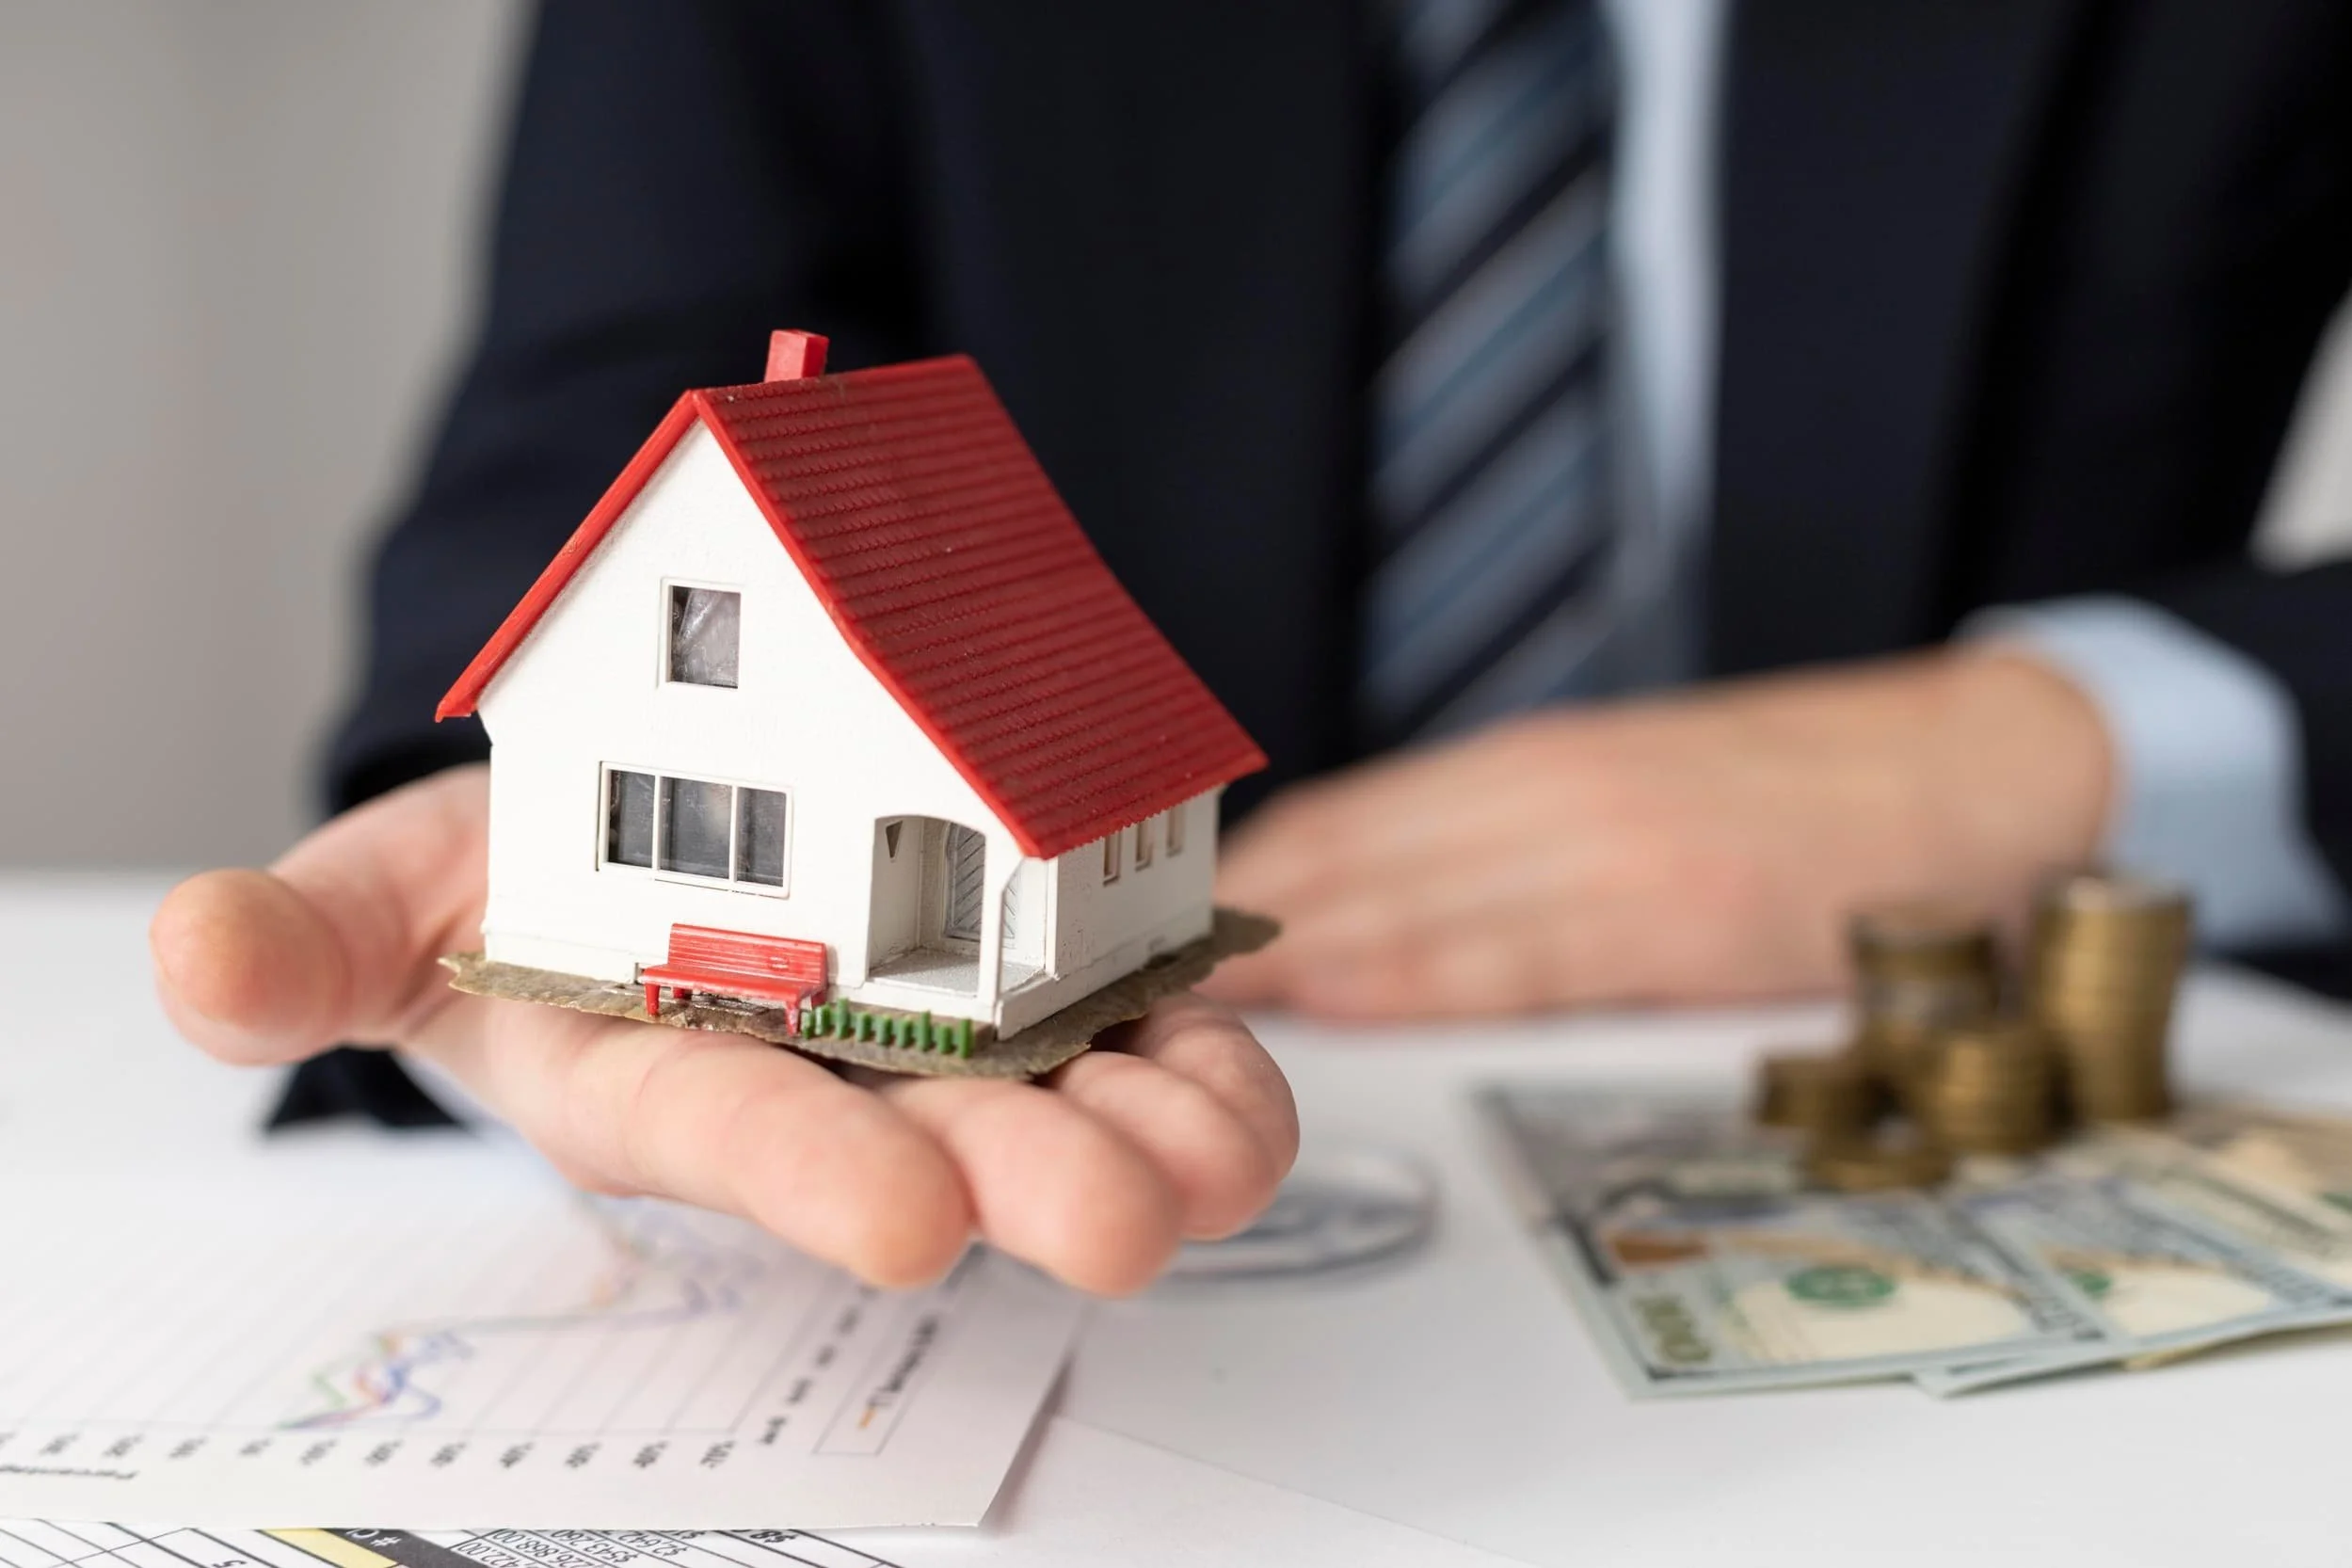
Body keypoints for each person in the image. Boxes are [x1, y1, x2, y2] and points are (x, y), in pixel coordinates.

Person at [152, 1, 2352, 1292]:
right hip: (1135, 1224)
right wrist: (539, 844)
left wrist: (2065, 734)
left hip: (1913, 1075)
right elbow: (614, 423)